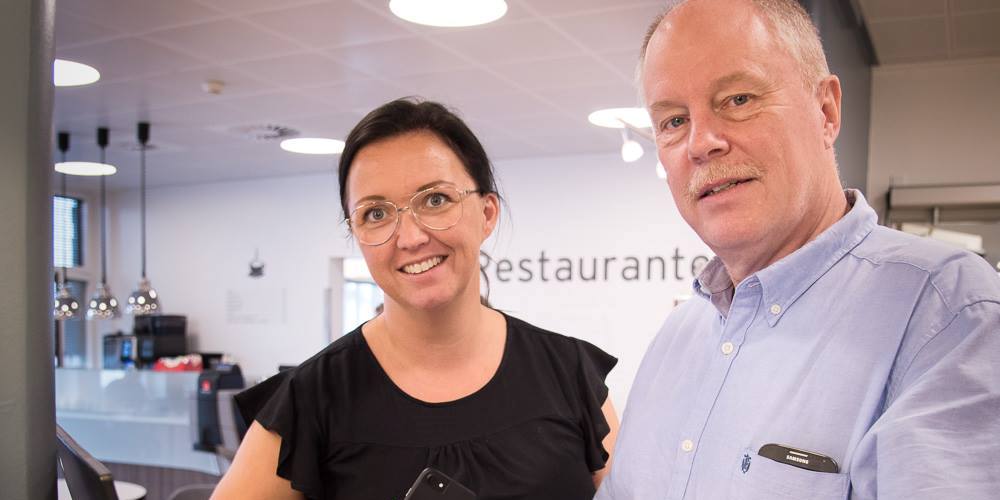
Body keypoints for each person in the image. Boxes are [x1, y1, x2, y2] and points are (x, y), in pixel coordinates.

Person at [597, 1, 1000, 499]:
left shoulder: (945, 312)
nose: (701, 143)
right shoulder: (677, 336)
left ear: (826, 111)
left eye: (738, 99)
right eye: (674, 121)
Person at [213, 98, 619, 500]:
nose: (410, 237)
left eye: (436, 200)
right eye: (375, 213)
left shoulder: (568, 374)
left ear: (487, 213)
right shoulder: (313, 398)